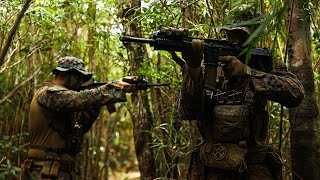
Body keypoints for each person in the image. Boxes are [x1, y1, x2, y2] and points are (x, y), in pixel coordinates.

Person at [175, 6, 305, 180]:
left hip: (253, 165)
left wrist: (249, 73)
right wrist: (193, 68)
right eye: (230, 34)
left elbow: (295, 92)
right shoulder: (211, 65)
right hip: (213, 164)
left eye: (241, 35)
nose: (234, 42)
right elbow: (187, 112)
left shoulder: (264, 61)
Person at [18, 56, 135, 179]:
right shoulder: (48, 93)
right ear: (68, 74)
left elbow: (79, 128)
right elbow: (78, 99)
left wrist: (96, 104)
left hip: (62, 172)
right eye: (78, 77)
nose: (80, 81)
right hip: (42, 171)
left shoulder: (67, 106)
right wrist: (114, 88)